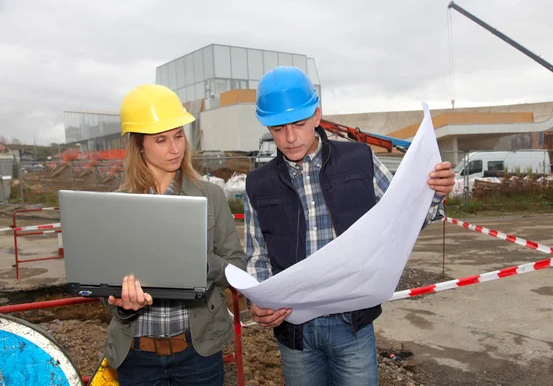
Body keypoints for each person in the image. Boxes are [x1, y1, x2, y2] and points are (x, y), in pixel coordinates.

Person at [244, 66, 455, 385]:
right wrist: (259, 299)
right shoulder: (258, 184)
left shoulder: (359, 159)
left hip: (352, 327)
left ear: (317, 116)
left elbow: (405, 218)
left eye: (299, 124)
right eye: (277, 129)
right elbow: (258, 257)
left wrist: (434, 193)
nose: (289, 138)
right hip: (294, 332)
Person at [101, 84, 246, 386]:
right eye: (161, 140)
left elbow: (236, 267)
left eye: (179, 135)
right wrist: (122, 303)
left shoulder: (211, 196)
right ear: (139, 145)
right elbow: (104, 285)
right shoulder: (117, 204)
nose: (175, 148)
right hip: (137, 357)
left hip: (197, 355)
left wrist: (201, 264)